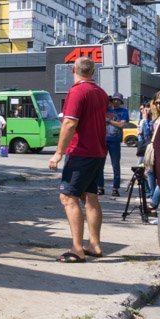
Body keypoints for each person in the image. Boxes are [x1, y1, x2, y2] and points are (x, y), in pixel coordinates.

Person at [48, 56, 108, 263]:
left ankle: (77, 249)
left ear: (74, 69)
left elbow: (69, 123)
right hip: (98, 151)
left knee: (68, 197)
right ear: (93, 72)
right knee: (90, 197)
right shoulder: (101, 93)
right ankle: (95, 245)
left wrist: (58, 153)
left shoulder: (76, 91)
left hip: (81, 151)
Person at [99, 93, 130, 197]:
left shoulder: (123, 111)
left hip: (115, 141)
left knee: (115, 165)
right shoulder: (105, 110)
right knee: (100, 165)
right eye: (114, 100)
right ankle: (100, 187)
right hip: (103, 140)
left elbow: (122, 125)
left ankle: (115, 188)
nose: (116, 101)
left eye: (118, 100)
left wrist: (108, 120)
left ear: (121, 102)